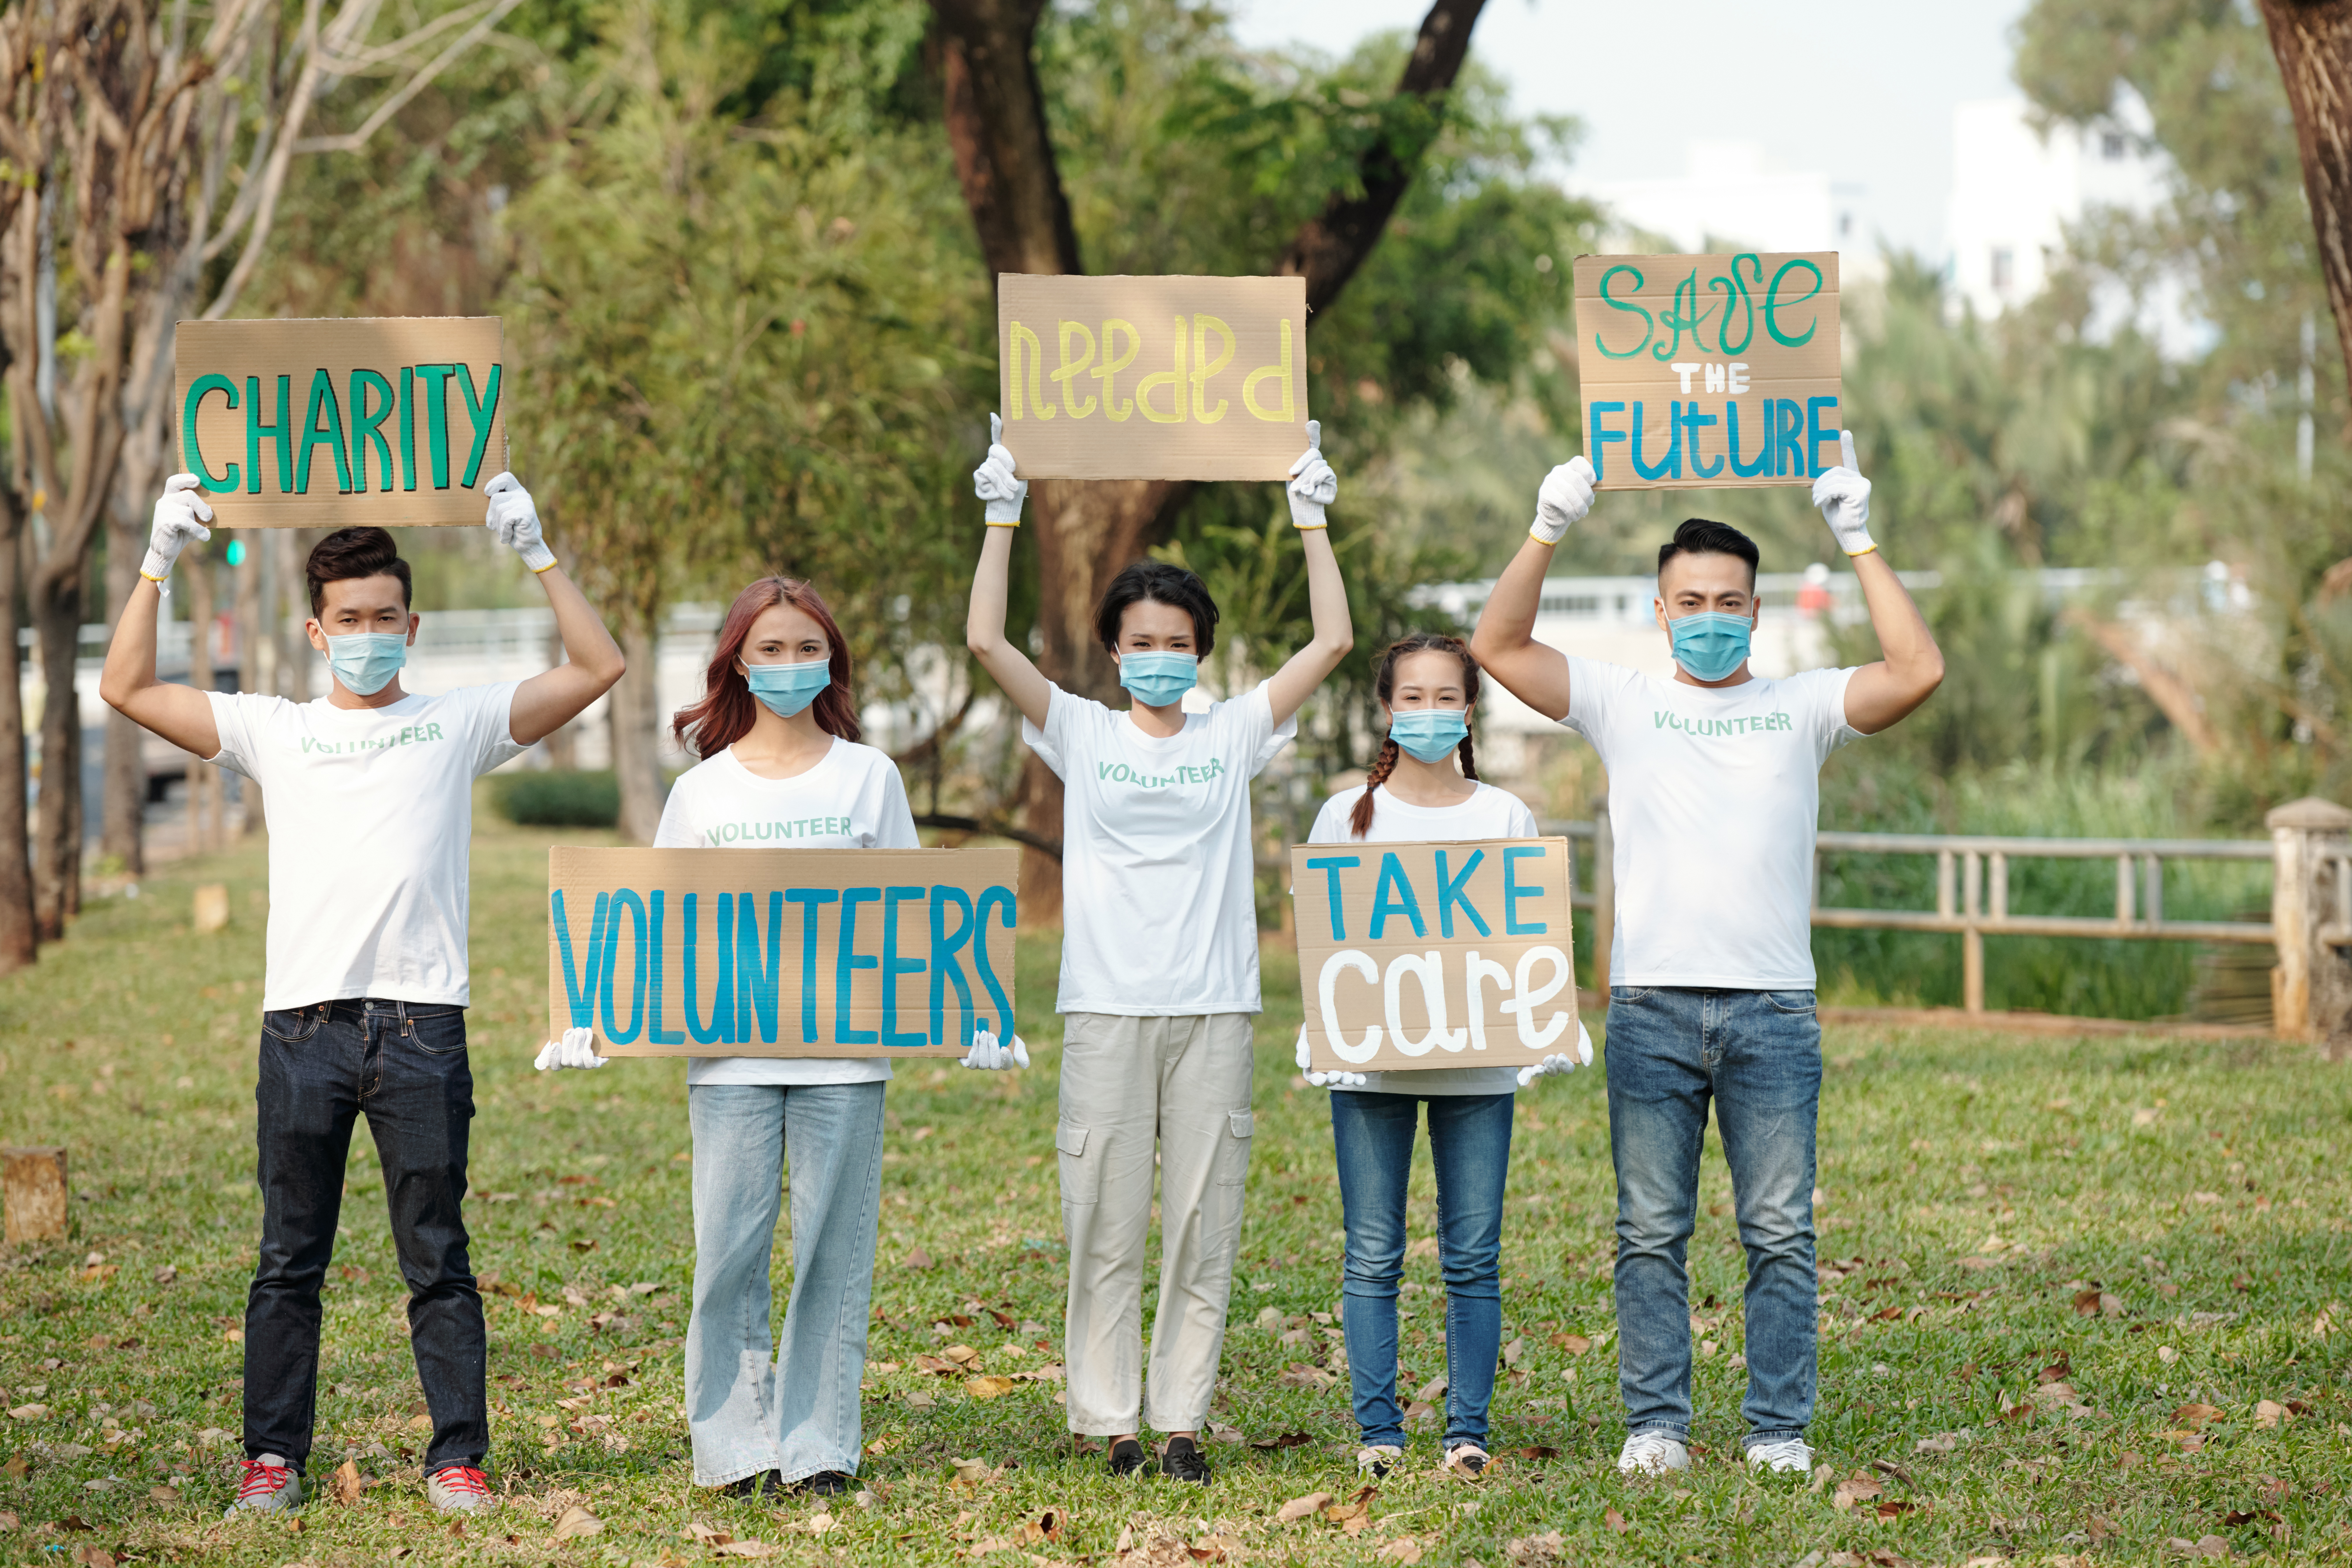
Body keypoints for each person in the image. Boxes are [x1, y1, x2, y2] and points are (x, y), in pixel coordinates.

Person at [98, 475, 626, 1516]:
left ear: (411, 623)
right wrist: (157, 557)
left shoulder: (459, 722)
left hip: (423, 1030)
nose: (368, 633)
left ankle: (457, 1457)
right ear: (316, 627)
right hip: (303, 1029)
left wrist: (536, 547)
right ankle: (272, 1461)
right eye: (350, 619)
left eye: (386, 617)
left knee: (438, 1256)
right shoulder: (273, 729)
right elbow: (123, 685)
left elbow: (600, 665)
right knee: (288, 1259)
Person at [1467, 434, 1944, 1479]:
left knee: (1777, 1232)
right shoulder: (1619, 699)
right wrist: (1548, 521)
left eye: (1731, 600)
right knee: (1648, 1231)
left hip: (1774, 1009)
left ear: (1757, 612)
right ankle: (1657, 1425)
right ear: (1661, 611)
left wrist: (1855, 534)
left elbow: (1918, 669)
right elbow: (1496, 645)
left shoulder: (1801, 704)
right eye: (1692, 601)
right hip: (1650, 1008)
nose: (1713, 617)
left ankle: (1777, 1429)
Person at [534, 575, 1028, 1500]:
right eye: (771, 648)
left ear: (830, 659)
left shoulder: (868, 776)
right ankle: (733, 1449)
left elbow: (912, 915)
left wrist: (974, 1011)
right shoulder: (701, 791)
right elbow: (655, 921)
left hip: (846, 1056)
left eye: (808, 648)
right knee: (726, 1252)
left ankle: (818, 1448)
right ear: (737, 663)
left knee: (832, 1257)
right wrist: (589, 1011)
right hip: (730, 1063)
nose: (791, 664)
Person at [964, 416, 1353, 1484]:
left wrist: (1309, 514)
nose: (1159, 657)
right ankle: (1110, 1419)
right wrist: (1004, 511)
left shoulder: (1232, 730)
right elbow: (986, 646)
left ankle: (1181, 1419)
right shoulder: (1082, 731)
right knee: (1102, 1218)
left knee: (1201, 1217)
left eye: (1177, 641)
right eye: (1141, 640)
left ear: (1200, 650)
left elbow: (1330, 645)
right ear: (1114, 648)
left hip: (1215, 1007)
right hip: (1105, 1007)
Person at [1292, 632, 1593, 1484]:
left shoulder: (1502, 816)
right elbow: (1324, 938)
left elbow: (1525, 935)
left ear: (1470, 709)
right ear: (1388, 709)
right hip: (1371, 1070)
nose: (1429, 712)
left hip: (1477, 1071)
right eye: (1411, 697)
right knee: (1371, 1252)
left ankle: (1467, 1429)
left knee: (1472, 1255)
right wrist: (1319, 1032)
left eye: (1445, 697)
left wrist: (1550, 1019)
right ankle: (1377, 1432)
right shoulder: (1346, 814)